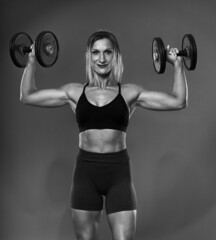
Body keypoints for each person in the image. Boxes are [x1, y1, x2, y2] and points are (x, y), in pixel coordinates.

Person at [20, 30, 188, 240]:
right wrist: (32, 59)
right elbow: (28, 95)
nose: (101, 58)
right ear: (89, 57)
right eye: (96, 52)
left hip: (118, 174)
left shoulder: (129, 92)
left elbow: (178, 101)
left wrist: (178, 65)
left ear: (115, 55)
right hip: (85, 174)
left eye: (107, 52)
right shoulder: (74, 92)